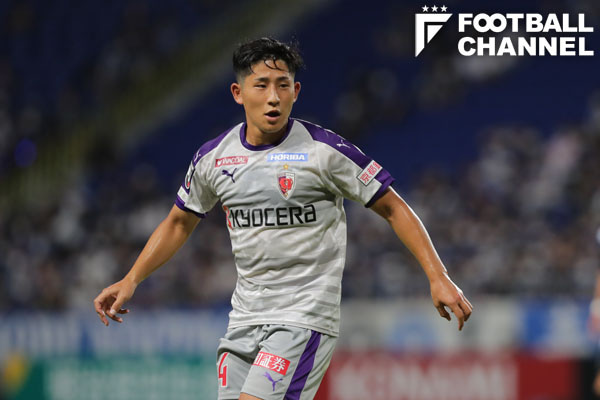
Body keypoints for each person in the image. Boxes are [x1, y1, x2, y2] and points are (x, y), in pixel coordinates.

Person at [93, 37, 473, 400]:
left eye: (283, 85)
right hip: (244, 319)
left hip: (303, 316)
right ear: (238, 93)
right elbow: (179, 222)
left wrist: (437, 276)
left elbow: (393, 207)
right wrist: (131, 279)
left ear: (296, 91)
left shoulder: (325, 152)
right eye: (261, 85)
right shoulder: (213, 158)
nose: (273, 97)